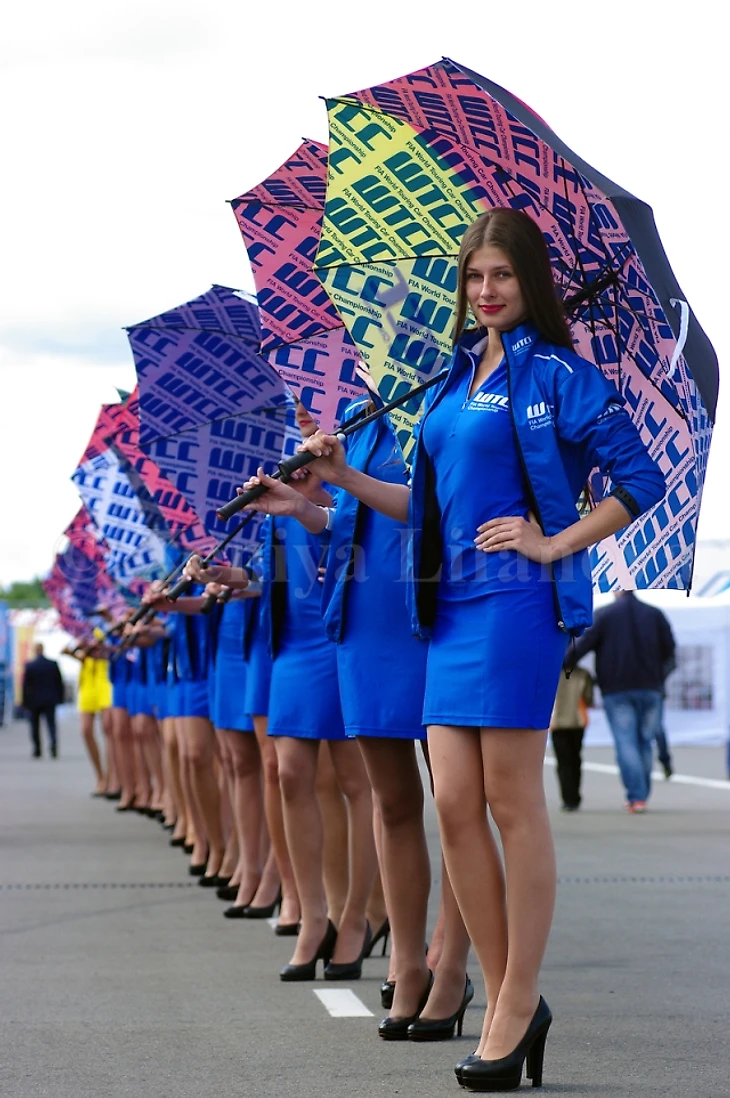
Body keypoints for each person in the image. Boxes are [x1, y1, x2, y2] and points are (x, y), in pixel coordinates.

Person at [294, 208, 666, 1090]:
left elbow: (639, 480)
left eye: (499, 276)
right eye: (473, 279)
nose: (484, 292)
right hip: (446, 610)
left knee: (508, 802)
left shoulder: (561, 376)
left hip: (515, 607)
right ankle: (508, 996)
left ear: (526, 281)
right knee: (451, 802)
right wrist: (343, 476)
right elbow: (422, 511)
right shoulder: (447, 385)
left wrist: (555, 540)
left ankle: (513, 998)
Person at [569, 591, 676, 813]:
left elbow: (581, 646)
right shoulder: (654, 614)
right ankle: (641, 794)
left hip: (616, 688)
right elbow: (671, 653)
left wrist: (562, 663)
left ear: (617, 589)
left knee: (625, 742)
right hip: (651, 688)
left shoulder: (605, 615)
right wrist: (659, 678)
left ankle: (637, 796)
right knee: (644, 741)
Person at [549, 665, 594, 812]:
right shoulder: (583, 673)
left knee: (563, 761)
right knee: (576, 758)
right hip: (577, 720)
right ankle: (575, 796)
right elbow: (588, 697)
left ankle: (568, 798)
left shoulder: (550, 671)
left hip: (557, 721)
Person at [22, 643, 65, 758]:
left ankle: (37, 748)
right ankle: (53, 744)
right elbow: (59, 683)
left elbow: (25, 686)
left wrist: (24, 702)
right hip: (50, 699)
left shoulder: (30, 666)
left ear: (35, 651)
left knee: (35, 726)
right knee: (51, 724)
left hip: (34, 700)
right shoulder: (52, 664)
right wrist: (60, 698)